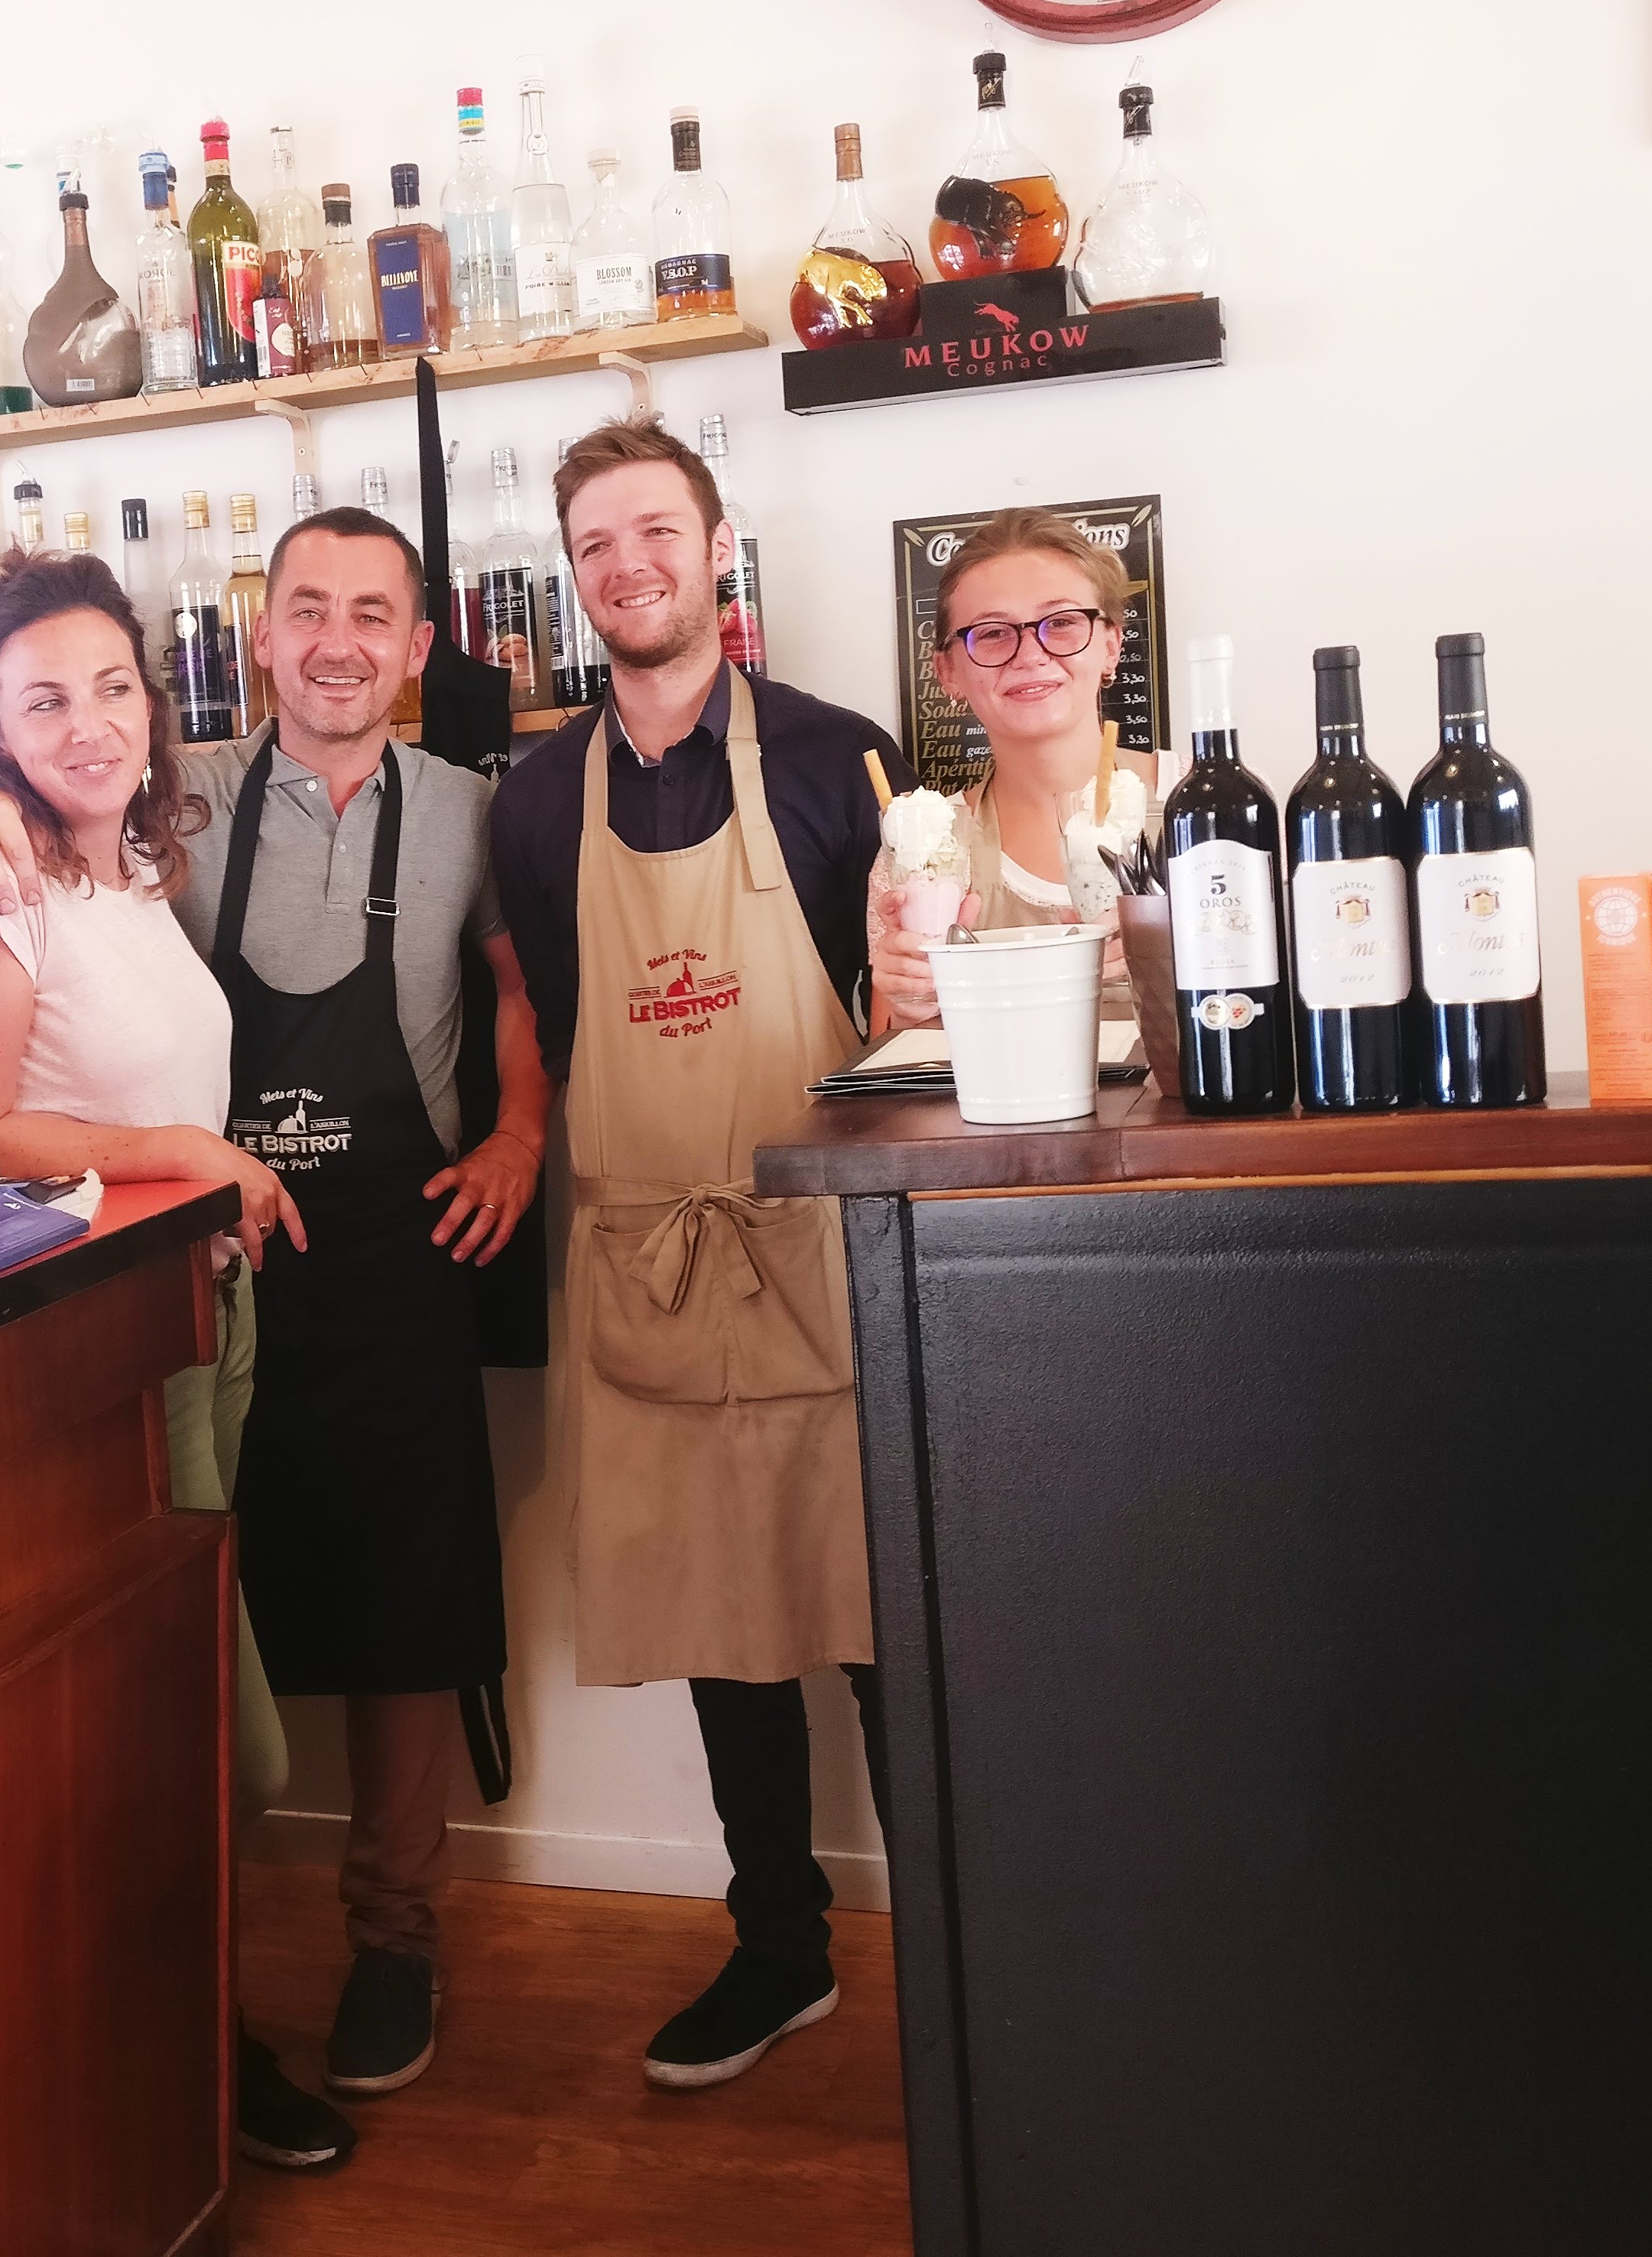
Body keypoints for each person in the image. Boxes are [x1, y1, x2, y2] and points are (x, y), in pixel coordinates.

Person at [0, 506, 551, 2109]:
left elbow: (518, 990)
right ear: (259, 639)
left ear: (419, 648)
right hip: (199, 1275)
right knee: (197, 1625)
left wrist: (520, 1139)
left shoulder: (471, 808)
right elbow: (26, 809)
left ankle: (392, 1938)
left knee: (408, 1601)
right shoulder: (176, 797)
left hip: (397, 1251)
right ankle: (202, 1999)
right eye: (306, 609)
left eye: (374, 614)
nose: (338, 641)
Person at [0, 544, 349, 2174]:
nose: (89, 724)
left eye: (112, 688)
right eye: (43, 702)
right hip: (106, 1346)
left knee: (189, 1721)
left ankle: (192, 2054)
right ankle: (167, 2068)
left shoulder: (128, 870)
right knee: (194, 1728)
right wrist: (191, 1153)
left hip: (205, 1308)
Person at [485, 417, 910, 2093]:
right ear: (571, 576)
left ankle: (971, 1944)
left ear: (718, 547)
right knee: (719, 1620)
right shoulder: (537, 802)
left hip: (821, 1245)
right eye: (595, 542)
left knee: (881, 1620)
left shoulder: (838, 757)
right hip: (648, 1259)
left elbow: (903, 1013)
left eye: (656, 529)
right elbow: (558, 1024)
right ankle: (779, 1946)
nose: (628, 565)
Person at [868, 505, 1167, 1028]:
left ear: (1111, 645)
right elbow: (893, 1060)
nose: (1030, 654)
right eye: (992, 633)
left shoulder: (1210, 807)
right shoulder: (926, 850)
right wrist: (911, 1004)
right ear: (947, 671)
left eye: (1063, 623)